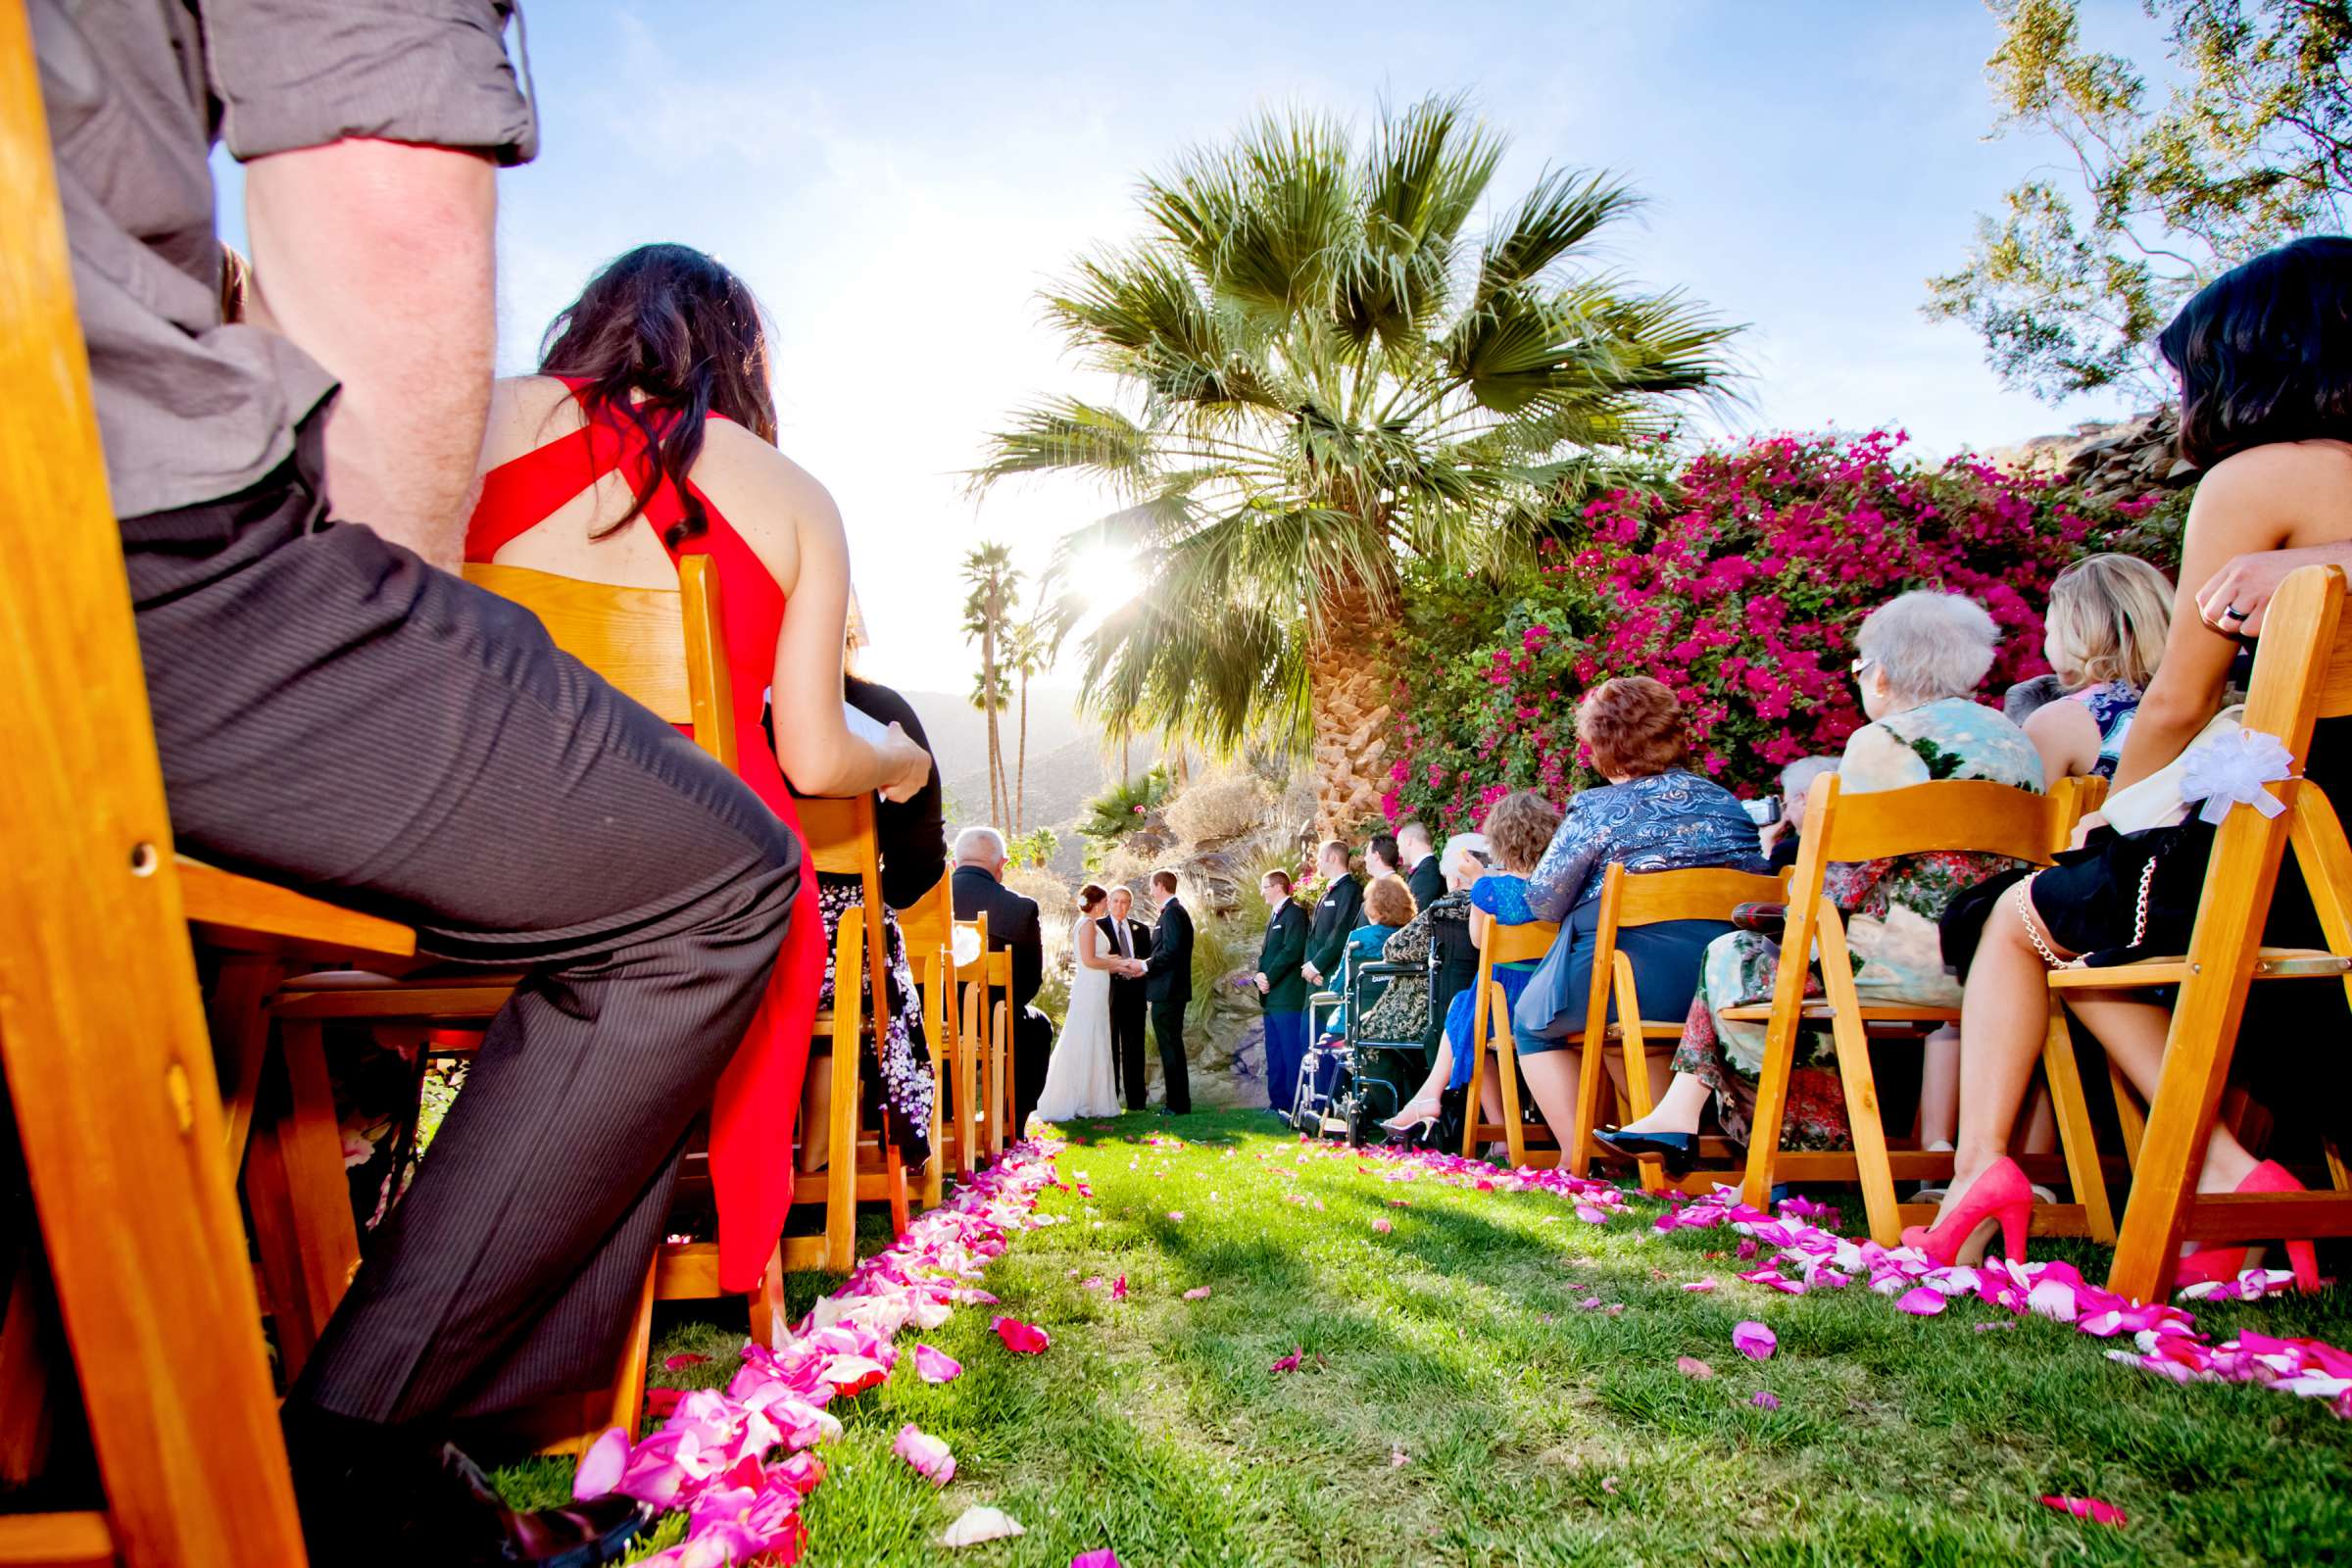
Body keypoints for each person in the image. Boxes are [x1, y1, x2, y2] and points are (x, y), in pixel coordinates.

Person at [26, 6, 816, 1559]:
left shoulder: (531, 422)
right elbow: (388, 211)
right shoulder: (781, 486)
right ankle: (365, 1452)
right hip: (99, 565)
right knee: (727, 882)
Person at [1922, 237, 2352, 1272]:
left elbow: (2176, 701)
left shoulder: (2264, 477)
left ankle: (1991, 1167)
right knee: (2080, 917)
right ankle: (2219, 1172)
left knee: (2024, 916)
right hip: (2337, 874)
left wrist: (2120, 807)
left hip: (2302, 856)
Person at [467, 249, 934, 1201]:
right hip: (676, 905)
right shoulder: (793, 493)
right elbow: (810, 754)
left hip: (459, 873)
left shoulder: (473, 416)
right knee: (738, 893)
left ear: (589, 322)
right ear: (742, 361)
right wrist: (898, 758)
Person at [1599, 594, 2043, 1176]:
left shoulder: (1882, 743)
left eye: (1858, 667)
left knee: (1731, 956)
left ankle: (1784, 1144)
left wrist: (1772, 919)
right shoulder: (2017, 743)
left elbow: (1835, 889)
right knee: (1756, 961)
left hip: (1898, 965)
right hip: (2004, 969)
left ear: (1881, 674)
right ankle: (1681, 1119)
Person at [1473, 681, 1769, 1147]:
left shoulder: (1596, 808)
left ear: (1602, 743)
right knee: (1621, 1017)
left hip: (1630, 981)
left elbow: (1544, 901)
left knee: (1531, 1021)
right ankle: (1656, 1139)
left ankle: (1580, 1156)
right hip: (1721, 985)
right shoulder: (1726, 804)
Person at [1382, 792, 1562, 1134]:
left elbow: (1481, 942)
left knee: (1467, 1012)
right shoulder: (1559, 887)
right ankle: (1440, 1103)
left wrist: (1482, 882)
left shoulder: (1488, 890)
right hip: (1553, 995)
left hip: (1506, 1001)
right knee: (1470, 1011)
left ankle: (1466, 1114)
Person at [2021, 553, 2175, 786]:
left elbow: (2021, 817)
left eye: (2051, 630)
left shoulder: (2057, 722)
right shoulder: (2197, 706)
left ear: (2080, 632)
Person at [952, 827, 1054, 1131]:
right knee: (1036, 1027)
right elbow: (1029, 984)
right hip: (992, 1019)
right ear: (1001, 865)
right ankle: (1012, 1124)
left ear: (955, 864)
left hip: (927, 1017)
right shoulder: (1020, 908)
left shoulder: (920, 904)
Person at [1354, 835, 1487, 1052]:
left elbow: (1393, 948)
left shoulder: (1445, 910)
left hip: (1441, 1010)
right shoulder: (1498, 906)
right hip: (1487, 1005)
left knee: (1369, 1030)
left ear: (1453, 880)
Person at [1036, 885, 1143, 1122]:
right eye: (1106, 901)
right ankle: (1082, 1100)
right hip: (1090, 987)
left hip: (1098, 985)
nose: (1108, 905)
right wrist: (1117, 963)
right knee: (1087, 1037)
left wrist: (1122, 965)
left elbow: (1097, 960)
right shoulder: (1086, 924)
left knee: (1097, 1037)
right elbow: (1089, 960)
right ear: (1098, 902)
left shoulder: (1090, 924)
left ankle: (1095, 1098)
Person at [1318, 873, 1416, 1045]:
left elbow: (1339, 986)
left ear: (1374, 908)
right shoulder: (1412, 937)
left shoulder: (1359, 938)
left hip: (1356, 1024)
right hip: (1400, 1025)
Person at [1251, 869, 1311, 1114]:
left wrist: (1269, 976)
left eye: (1264, 887)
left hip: (1288, 998)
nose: (1262, 892)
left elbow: (1292, 951)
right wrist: (1259, 977)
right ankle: (1277, 1103)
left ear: (1277, 887)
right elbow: (1268, 955)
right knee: (1274, 1054)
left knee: (1290, 1053)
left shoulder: (1295, 914)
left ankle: (1294, 1104)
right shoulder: (1273, 917)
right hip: (1271, 998)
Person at [1142, 869, 1195, 1113]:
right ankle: (1177, 1102)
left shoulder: (1173, 913)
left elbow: (1171, 951)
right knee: (1170, 1047)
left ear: (1161, 886)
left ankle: (1177, 1104)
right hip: (1168, 990)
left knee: (1170, 1047)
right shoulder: (1172, 912)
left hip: (1169, 991)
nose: (1150, 891)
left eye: (1152, 886)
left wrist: (1144, 965)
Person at [1102, 886, 1153, 1109]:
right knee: (1109, 1047)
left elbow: (1148, 960)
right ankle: (1110, 1098)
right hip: (1109, 995)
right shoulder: (1098, 927)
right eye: (1115, 901)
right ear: (1108, 903)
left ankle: (1136, 1101)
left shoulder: (1141, 929)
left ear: (1130, 904)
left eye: (1124, 902)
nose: (1119, 906)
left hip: (1135, 995)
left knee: (1135, 1048)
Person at [1299, 840, 1365, 994]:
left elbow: (1342, 932)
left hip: (1332, 979)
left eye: (1320, 858)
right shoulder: (1325, 893)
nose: (1318, 863)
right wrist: (1310, 967)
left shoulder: (1351, 891)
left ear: (1333, 858)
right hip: (1315, 979)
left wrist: (1317, 965)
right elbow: (1312, 935)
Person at [1399, 820, 1446, 910]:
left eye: (1399, 844)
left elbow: (1418, 913)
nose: (1399, 852)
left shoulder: (1427, 871)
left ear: (1409, 841)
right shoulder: (1426, 868)